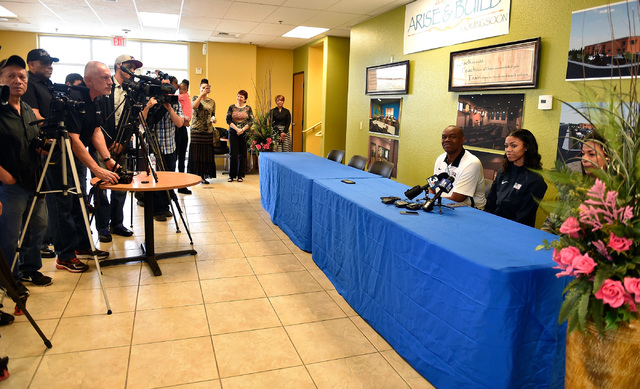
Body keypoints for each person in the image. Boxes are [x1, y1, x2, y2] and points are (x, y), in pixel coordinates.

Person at [45, 61, 119, 273]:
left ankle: (82, 247)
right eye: (104, 77)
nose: (110, 81)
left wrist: (107, 159)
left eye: (109, 77)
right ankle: (65, 256)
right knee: (63, 207)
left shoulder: (94, 100)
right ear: (88, 80)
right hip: (59, 159)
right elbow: (73, 139)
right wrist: (97, 169)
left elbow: (95, 131)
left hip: (77, 158)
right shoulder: (74, 99)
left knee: (79, 204)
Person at [0, 55, 51, 290]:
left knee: (37, 226)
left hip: (34, 178)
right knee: (9, 235)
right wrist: (4, 176)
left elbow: (30, 140)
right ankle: (10, 279)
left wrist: (42, 148)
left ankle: (31, 269)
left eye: (22, 76)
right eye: (11, 76)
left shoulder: (28, 109)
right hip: (10, 184)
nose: (18, 81)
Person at [91, 54, 143, 242]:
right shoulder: (105, 85)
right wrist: (107, 142)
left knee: (121, 185)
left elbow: (132, 120)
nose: (133, 71)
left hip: (122, 145)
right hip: (101, 145)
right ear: (119, 66)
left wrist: (123, 141)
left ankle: (117, 223)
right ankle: (102, 227)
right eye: (130, 67)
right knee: (102, 186)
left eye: (135, 69)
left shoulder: (131, 91)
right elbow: (97, 119)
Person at [22, 48, 58, 260]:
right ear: (31, 65)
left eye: (51, 63)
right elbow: (34, 115)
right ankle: (41, 241)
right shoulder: (28, 84)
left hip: (53, 143)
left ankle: (48, 237)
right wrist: (58, 128)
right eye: (44, 63)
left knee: (49, 194)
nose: (49, 66)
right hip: (41, 145)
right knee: (41, 197)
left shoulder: (48, 85)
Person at [541, 132, 607, 234]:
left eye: (592, 154)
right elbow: (551, 221)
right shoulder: (573, 186)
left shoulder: (615, 194)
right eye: (583, 154)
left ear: (608, 157)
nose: (584, 159)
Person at [485, 129, 548, 227]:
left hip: (516, 230)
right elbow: (490, 204)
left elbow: (523, 217)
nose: (508, 150)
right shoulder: (503, 172)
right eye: (506, 146)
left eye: (513, 146)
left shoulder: (535, 181)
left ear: (526, 147)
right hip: (493, 224)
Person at [141, 79, 184, 221]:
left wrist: (169, 108)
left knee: (168, 178)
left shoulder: (175, 104)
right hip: (154, 147)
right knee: (155, 178)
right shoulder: (151, 102)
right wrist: (148, 107)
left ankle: (166, 206)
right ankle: (157, 209)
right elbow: (141, 121)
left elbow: (179, 123)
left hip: (170, 147)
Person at [433, 125, 486, 209]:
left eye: (452, 137)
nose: (447, 140)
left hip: (468, 210)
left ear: (462, 140)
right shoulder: (440, 158)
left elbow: (457, 199)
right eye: (444, 137)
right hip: (441, 204)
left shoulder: (472, 163)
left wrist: (432, 201)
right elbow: (433, 186)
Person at [188, 79, 216, 185]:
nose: (205, 89)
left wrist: (214, 118)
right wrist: (201, 95)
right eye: (203, 87)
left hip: (208, 130)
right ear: (200, 88)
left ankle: (204, 176)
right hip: (196, 129)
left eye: (206, 87)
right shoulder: (196, 97)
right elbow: (194, 106)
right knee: (196, 153)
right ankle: (195, 176)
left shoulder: (212, 101)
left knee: (206, 154)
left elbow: (213, 113)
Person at [226, 89, 253, 182]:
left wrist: (242, 129)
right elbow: (228, 120)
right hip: (233, 132)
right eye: (238, 96)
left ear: (245, 99)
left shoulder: (248, 108)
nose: (239, 98)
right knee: (233, 154)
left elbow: (251, 121)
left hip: (244, 132)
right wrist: (237, 129)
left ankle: (240, 175)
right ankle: (231, 175)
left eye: (241, 97)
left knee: (243, 154)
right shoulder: (231, 107)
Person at [175, 79, 191, 182]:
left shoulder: (185, 97)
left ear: (187, 89)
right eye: (180, 89)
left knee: (181, 155)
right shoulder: (179, 98)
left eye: (183, 89)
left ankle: (181, 178)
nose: (181, 91)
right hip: (178, 128)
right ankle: (177, 178)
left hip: (183, 128)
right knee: (176, 156)